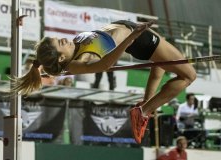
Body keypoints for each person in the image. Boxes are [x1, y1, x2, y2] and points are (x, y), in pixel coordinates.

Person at [11, 20, 196, 143]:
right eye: (60, 42)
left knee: (161, 64)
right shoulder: (81, 61)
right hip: (136, 37)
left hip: (128, 28)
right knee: (189, 76)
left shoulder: (74, 49)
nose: (63, 38)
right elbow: (106, 64)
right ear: (60, 58)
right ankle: (144, 111)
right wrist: (132, 37)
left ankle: (145, 109)